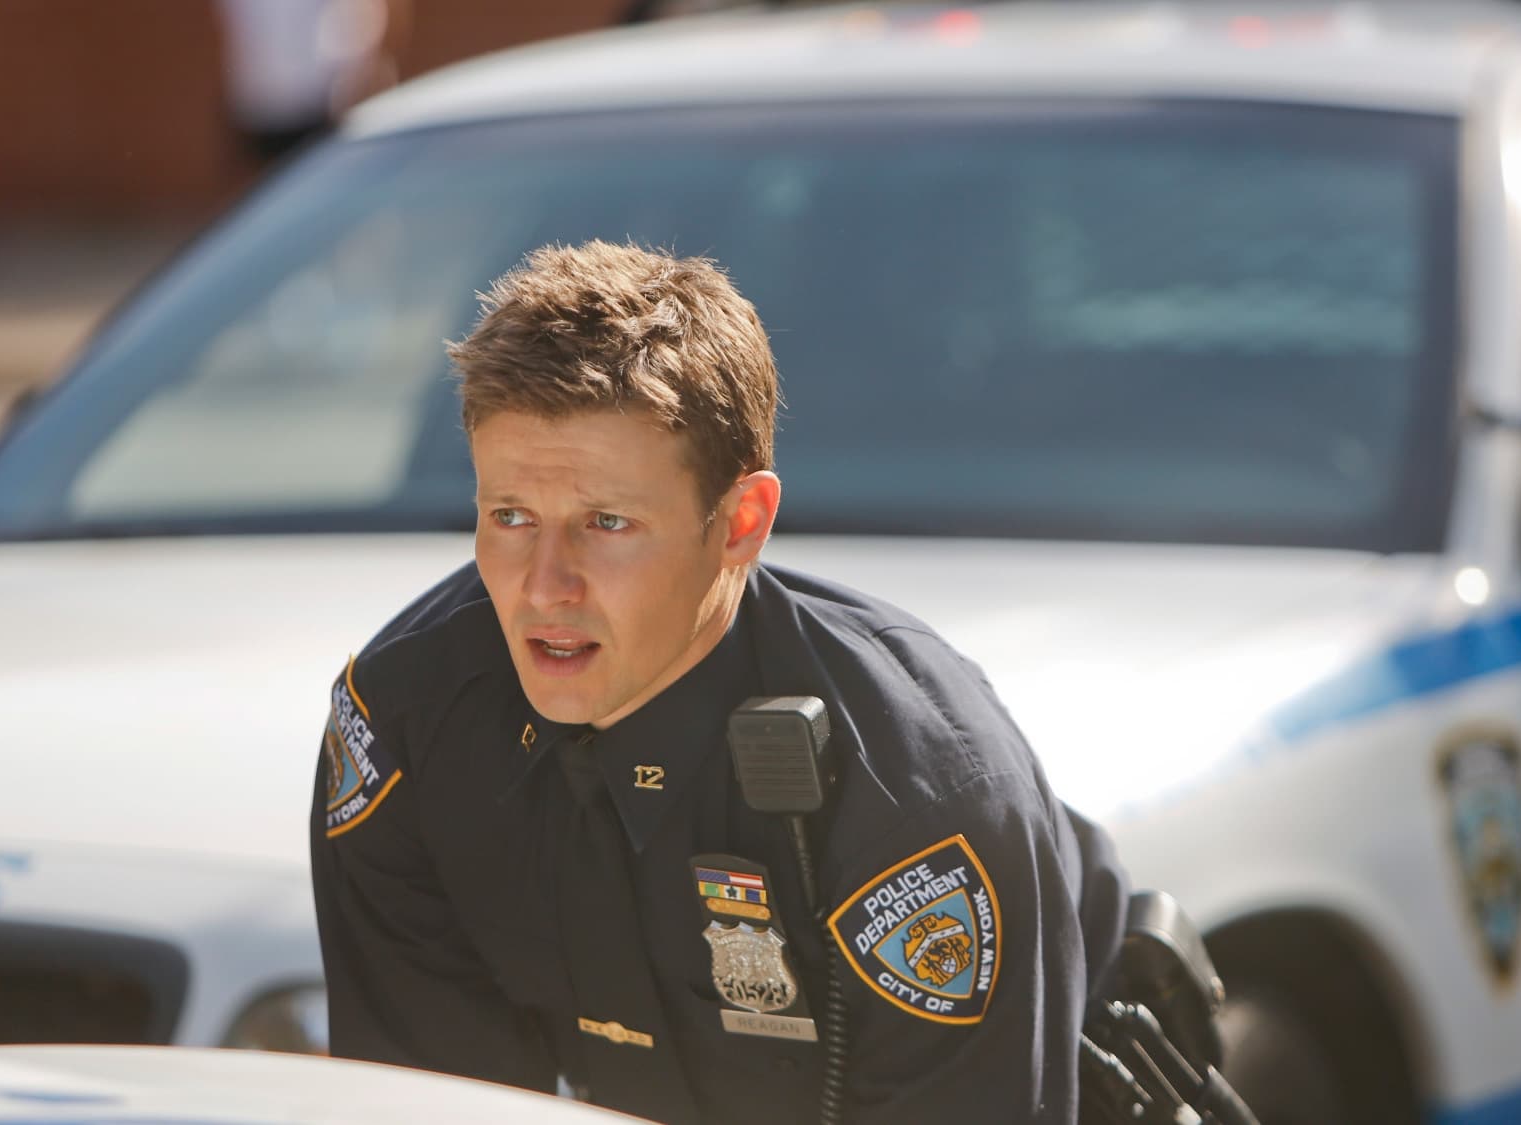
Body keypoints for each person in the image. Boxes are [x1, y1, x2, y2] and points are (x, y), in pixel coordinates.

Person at [309, 238, 1130, 1123]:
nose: (545, 586)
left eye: (607, 523)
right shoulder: (407, 722)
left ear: (741, 522)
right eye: (510, 516)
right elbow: (431, 1105)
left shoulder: (914, 790)